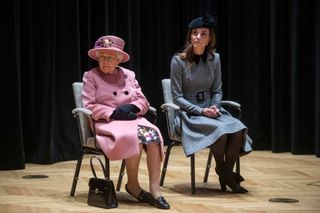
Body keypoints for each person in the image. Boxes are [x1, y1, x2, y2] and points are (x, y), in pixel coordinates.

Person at [82, 35, 170, 209]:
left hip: (132, 119)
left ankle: (155, 190)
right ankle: (133, 185)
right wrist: (114, 113)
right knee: (135, 136)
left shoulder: (129, 75)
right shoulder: (91, 76)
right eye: (101, 57)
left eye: (109, 57)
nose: (104, 61)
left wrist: (132, 108)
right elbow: (89, 106)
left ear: (119, 59)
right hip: (106, 123)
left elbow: (144, 101)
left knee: (153, 137)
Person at [170, 14, 253, 193]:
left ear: (209, 39)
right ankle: (226, 174)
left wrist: (215, 106)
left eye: (203, 34)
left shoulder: (215, 59)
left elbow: (217, 90)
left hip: (212, 109)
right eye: (194, 33)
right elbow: (176, 98)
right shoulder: (179, 61)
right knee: (221, 132)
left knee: (238, 128)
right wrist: (201, 111)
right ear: (190, 36)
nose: (197, 37)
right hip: (190, 113)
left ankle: (224, 171)